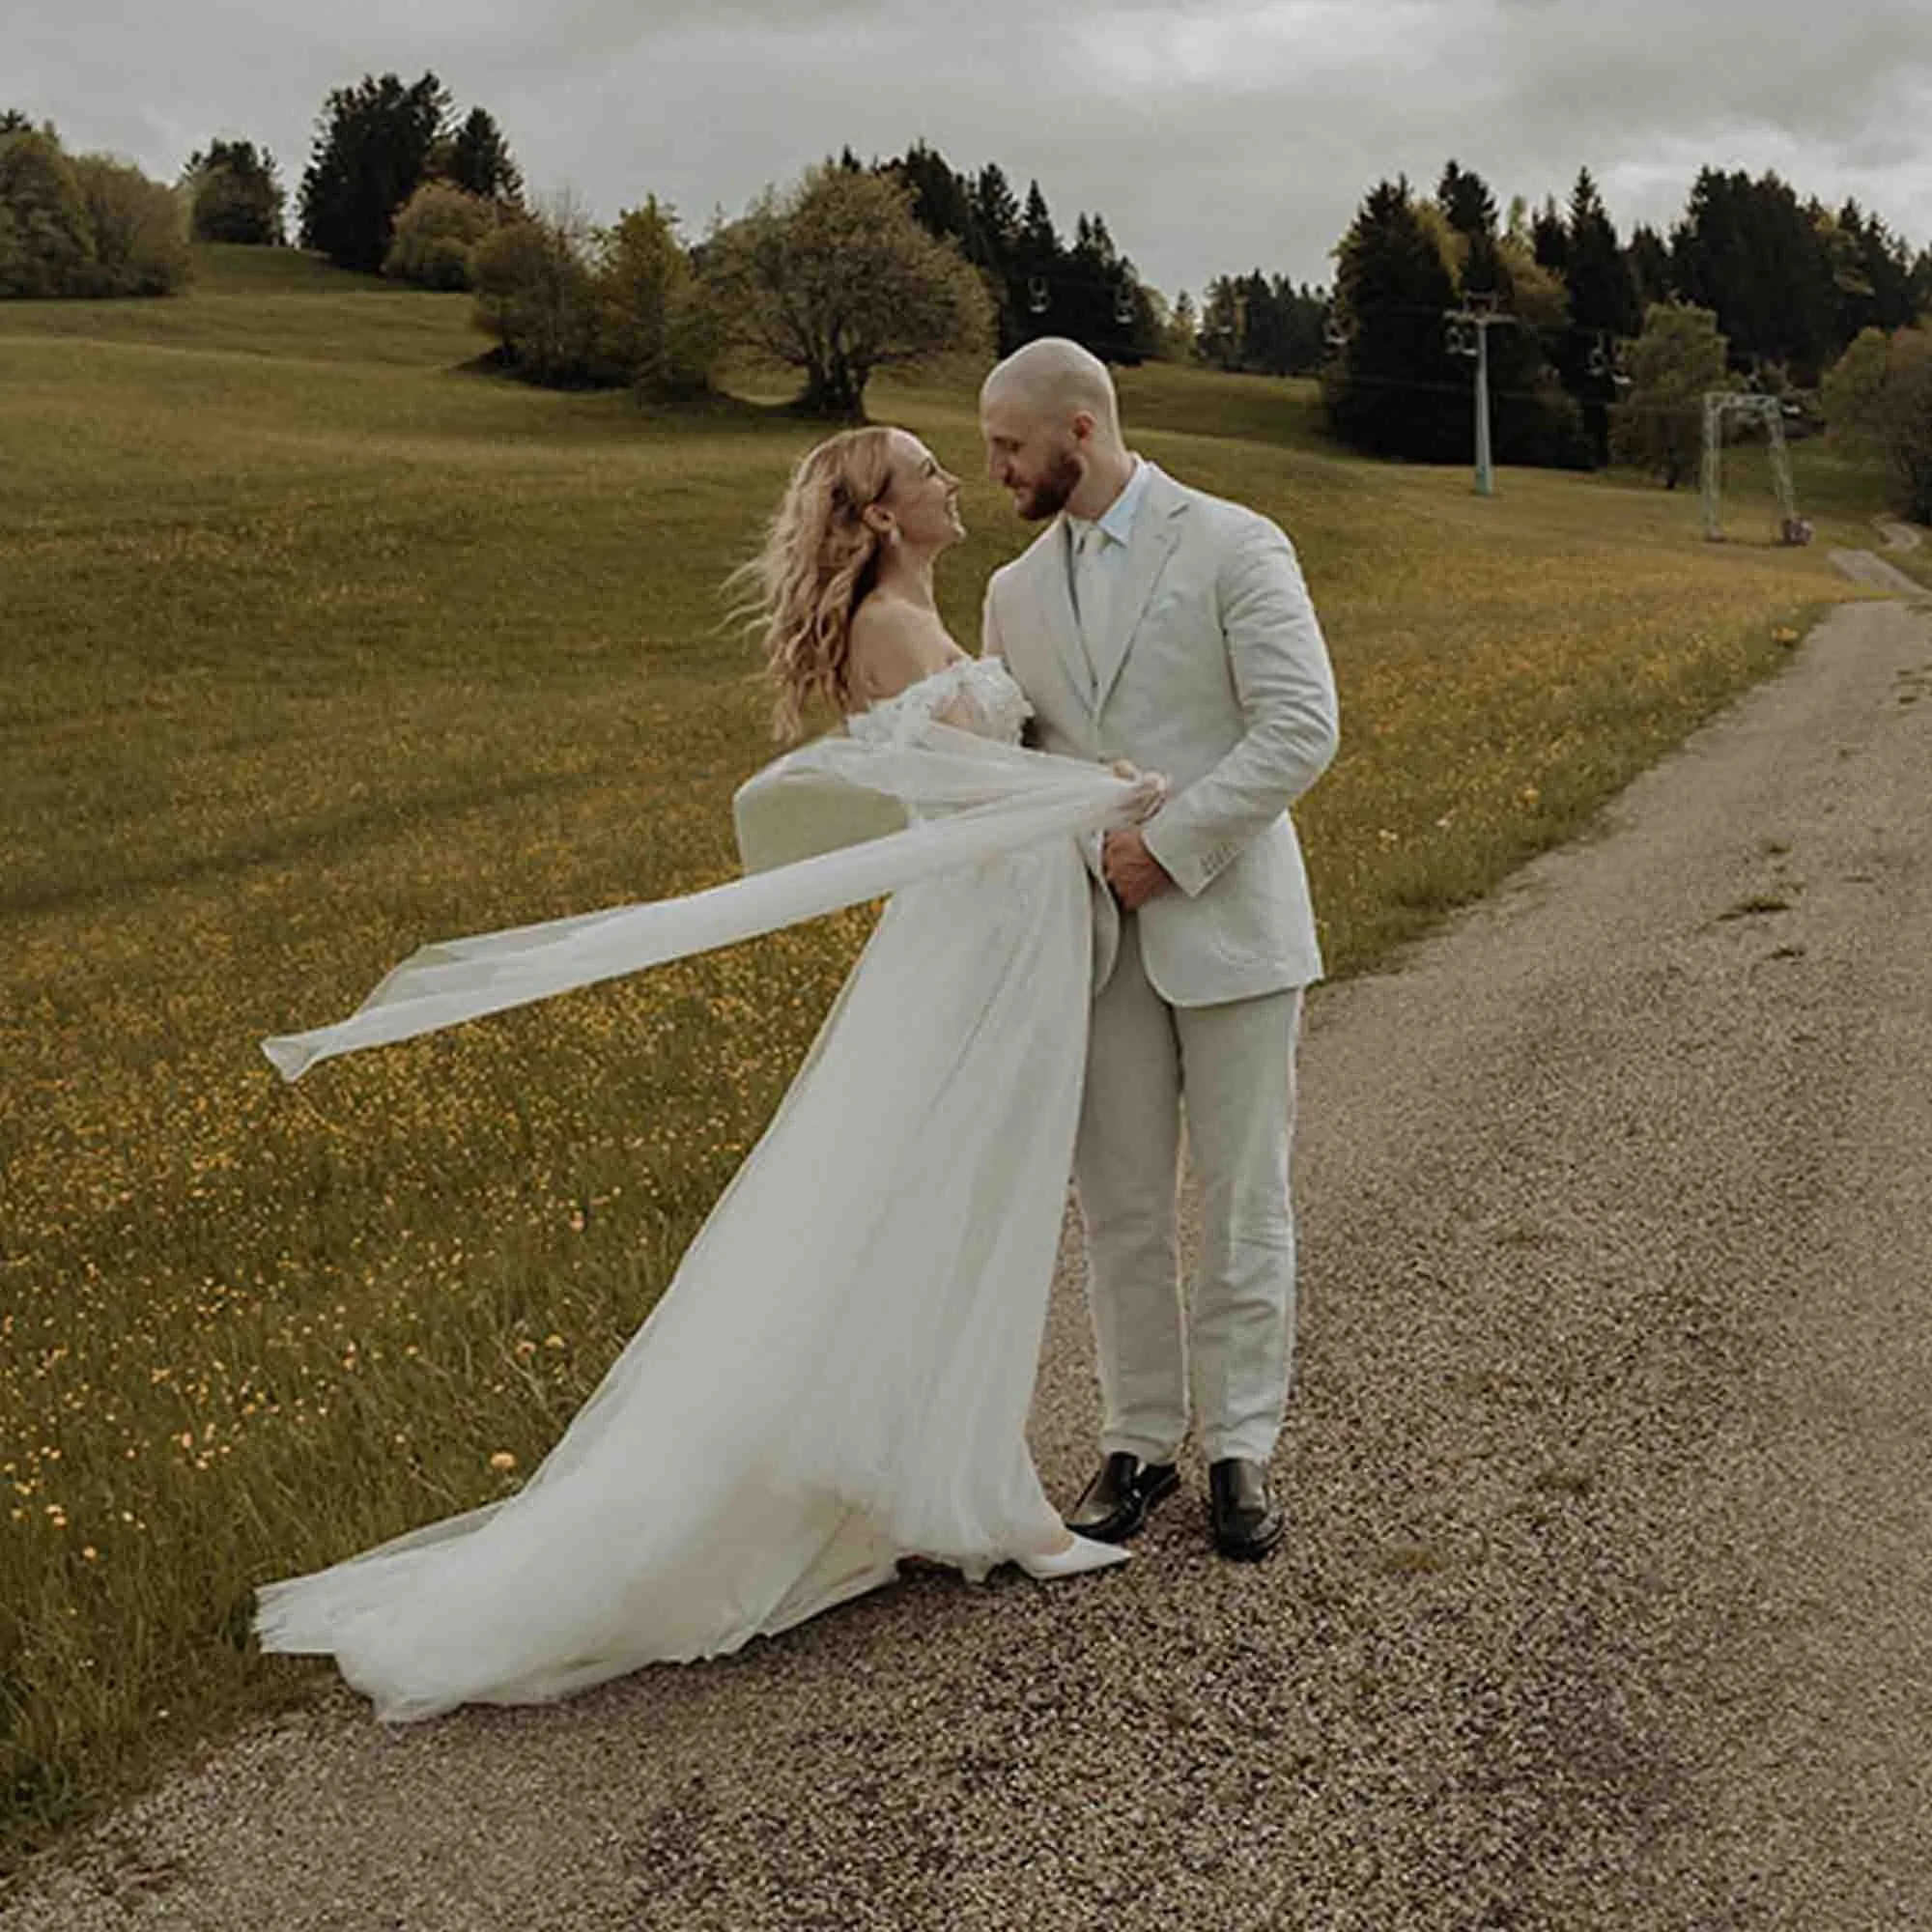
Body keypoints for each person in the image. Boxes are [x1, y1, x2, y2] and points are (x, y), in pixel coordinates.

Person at [251, 425, 1165, 1723]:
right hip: (984, 935)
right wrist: (1110, 795)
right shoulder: (897, 630)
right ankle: (983, 1498)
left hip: (998, 928)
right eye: (927, 471)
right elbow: (978, 796)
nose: (954, 480)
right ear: (885, 513)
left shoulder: (908, 613)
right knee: (959, 1197)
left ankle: (934, 1473)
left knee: (949, 1201)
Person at [979, 339, 1340, 1561]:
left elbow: (1300, 725)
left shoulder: (1235, 542)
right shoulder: (1013, 592)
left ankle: (1241, 1445)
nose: (996, 470)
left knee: (1244, 1191)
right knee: (1118, 1203)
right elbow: (1019, 770)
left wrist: (1169, 846)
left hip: (1232, 922)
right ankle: (1136, 1440)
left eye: (1007, 446)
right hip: (1095, 942)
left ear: (1077, 431)